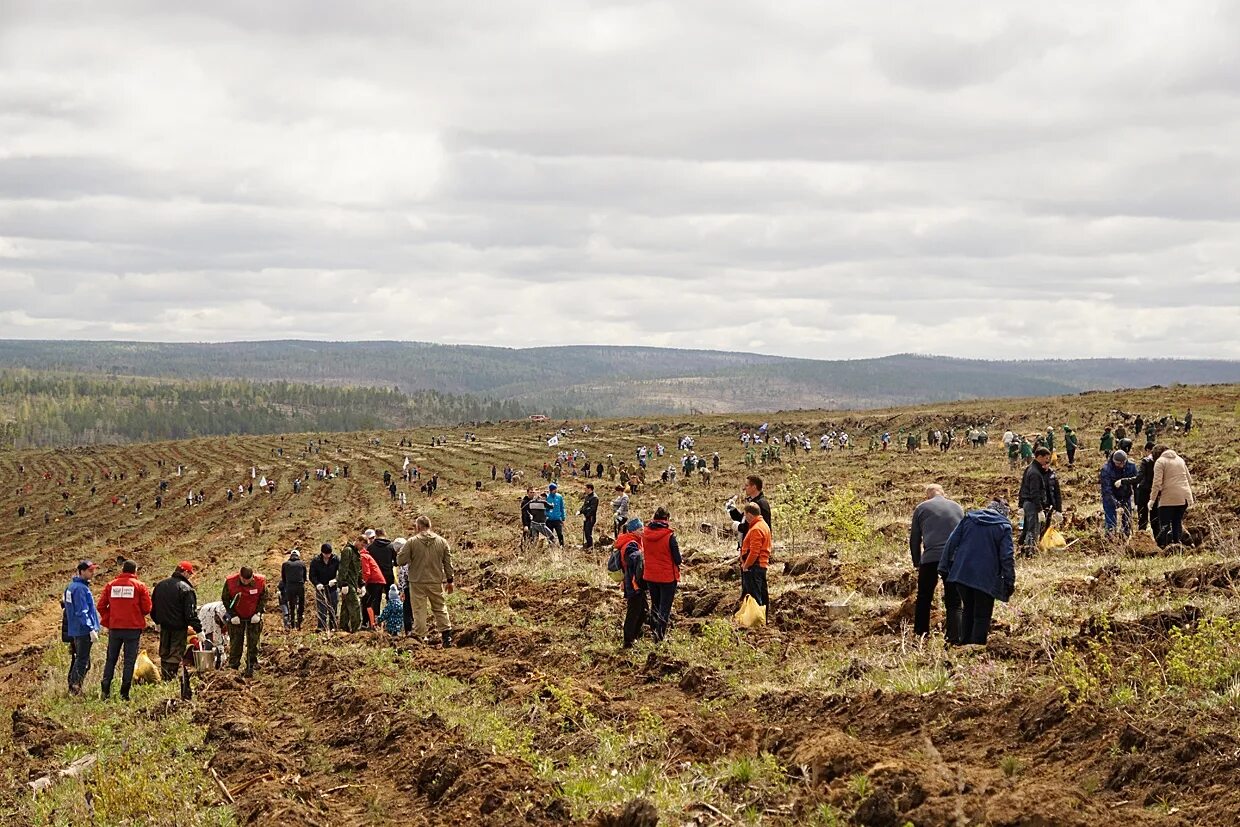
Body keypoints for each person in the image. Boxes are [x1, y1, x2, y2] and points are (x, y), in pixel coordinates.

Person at [938, 500, 1015, 646]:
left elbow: (951, 542)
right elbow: (1007, 556)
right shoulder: (1004, 526)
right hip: (986, 578)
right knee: (982, 615)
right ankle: (976, 649)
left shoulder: (969, 519)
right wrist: (1009, 581)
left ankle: (964, 645)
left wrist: (944, 566)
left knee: (968, 609)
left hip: (962, 574)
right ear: (1004, 513)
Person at [909, 485, 965, 641]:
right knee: (954, 601)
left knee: (924, 597)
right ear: (944, 494)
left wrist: (917, 562)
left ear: (928, 496)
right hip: (954, 559)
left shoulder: (921, 508)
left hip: (930, 558)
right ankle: (955, 638)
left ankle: (921, 635)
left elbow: (915, 538)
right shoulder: (958, 507)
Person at [96, 559, 152, 701]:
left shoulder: (111, 585)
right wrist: (135, 614)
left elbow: (101, 606)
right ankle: (124, 693)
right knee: (129, 661)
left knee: (111, 660)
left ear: (122, 570)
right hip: (132, 629)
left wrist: (111, 618)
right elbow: (147, 608)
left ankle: (105, 689)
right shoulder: (140, 586)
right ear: (135, 571)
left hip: (115, 628)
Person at [397, 516, 455, 647]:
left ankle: (420, 636)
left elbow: (400, 561)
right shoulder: (442, 542)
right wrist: (450, 580)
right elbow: (448, 563)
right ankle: (447, 636)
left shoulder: (412, 542)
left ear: (418, 527)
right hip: (435, 580)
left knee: (419, 610)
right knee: (440, 607)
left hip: (417, 581)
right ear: (430, 525)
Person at [151, 561, 201, 681]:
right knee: (175, 652)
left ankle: (165, 676)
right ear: (184, 572)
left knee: (164, 651)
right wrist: (198, 629)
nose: (190, 576)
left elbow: (153, 606)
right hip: (179, 627)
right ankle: (170, 678)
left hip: (164, 625)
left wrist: (157, 621)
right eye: (189, 573)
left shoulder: (160, 585)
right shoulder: (186, 589)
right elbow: (190, 613)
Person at [642, 507, 681, 642]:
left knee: (655, 604)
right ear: (666, 519)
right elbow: (678, 559)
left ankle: (653, 630)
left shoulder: (645, 534)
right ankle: (659, 636)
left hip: (650, 576)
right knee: (665, 607)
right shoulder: (670, 536)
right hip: (667, 577)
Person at [62, 560, 101, 695]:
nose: (92, 573)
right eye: (90, 570)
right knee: (82, 661)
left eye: (93, 570)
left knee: (81, 659)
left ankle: (74, 686)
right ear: (81, 571)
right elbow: (81, 611)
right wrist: (90, 628)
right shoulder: (80, 589)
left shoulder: (71, 587)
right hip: (83, 630)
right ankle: (75, 688)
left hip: (75, 629)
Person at [221, 566, 267, 675]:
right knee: (236, 642)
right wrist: (232, 615)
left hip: (253, 616)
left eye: (249, 580)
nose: (246, 582)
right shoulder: (230, 582)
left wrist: (258, 613)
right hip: (237, 616)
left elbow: (264, 597)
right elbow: (225, 599)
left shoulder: (260, 582)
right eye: (244, 580)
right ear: (240, 576)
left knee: (253, 641)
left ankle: (252, 663)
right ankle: (234, 666)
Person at [1018, 448, 1062, 557]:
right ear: (1039, 457)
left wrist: (1058, 509)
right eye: (1046, 459)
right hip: (1033, 505)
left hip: (1034, 504)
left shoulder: (1036, 470)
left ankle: (1027, 549)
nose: (1047, 461)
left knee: (1032, 528)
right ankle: (1030, 552)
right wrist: (1039, 510)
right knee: (1033, 530)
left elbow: (1055, 492)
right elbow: (1034, 493)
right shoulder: (1034, 473)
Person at [1150, 446, 1194, 547]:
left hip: (1168, 497)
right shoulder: (1180, 460)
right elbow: (1189, 479)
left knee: (1165, 524)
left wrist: (1152, 499)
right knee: (1177, 521)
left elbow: (1157, 483)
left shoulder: (1160, 462)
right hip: (1184, 497)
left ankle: (1163, 546)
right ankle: (1177, 543)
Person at [613, 518, 646, 648]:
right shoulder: (630, 544)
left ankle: (634, 636)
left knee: (642, 610)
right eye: (640, 530)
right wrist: (644, 554)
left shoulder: (634, 541)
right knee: (634, 611)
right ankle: (628, 641)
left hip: (635, 581)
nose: (643, 532)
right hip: (633, 582)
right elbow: (632, 559)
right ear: (633, 531)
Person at [739, 502, 771, 607]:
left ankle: (756, 621)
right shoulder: (763, 525)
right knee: (761, 595)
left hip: (754, 567)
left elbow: (754, 552)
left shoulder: (756, 529)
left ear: (749, 514)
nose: (745, 517)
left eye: (745, 514)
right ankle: (762, 619)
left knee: (754, 597)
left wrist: (746, 566)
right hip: (761, 565)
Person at [1100, 450, 1138, 536]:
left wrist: (1136, 502)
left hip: (1125, 495)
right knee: (1111, 521)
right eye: (1118, 464)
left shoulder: (1131, 466)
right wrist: (1116, 505)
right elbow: (1106, 490)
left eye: (1123, 463)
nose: (1121, 466)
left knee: (1127, 522)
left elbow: (1136, 484)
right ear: (1114, 461)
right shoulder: (1106, 469)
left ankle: (1125, 536)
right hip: (1110, 497)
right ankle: (1110, 537)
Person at [727, 475, 772, 545]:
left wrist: (738, 526)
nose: (745, 488)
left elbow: (759, 527)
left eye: (747, 485)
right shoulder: (753, 502)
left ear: (754, 487)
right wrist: (732, 509)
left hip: (756, 547)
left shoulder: (761, 504)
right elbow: (742, 519)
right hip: (749, 546)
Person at [309, 543, 339, 631]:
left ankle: (333, 626)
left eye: (329, 554)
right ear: (322, 553)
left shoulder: (335, 559)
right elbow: (312, 575)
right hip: (321, 587)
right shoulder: (315, 561)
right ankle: (321, 626)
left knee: (333, 607)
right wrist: (317, 583)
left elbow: (341, 572)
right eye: (325, 554)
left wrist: (335, 580)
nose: (327, 556)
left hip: (332, 587)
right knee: (321, 607)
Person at [358, 537, 386, 628]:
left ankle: (373, 623)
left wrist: (363, 585)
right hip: (375, 581)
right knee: (369, 602)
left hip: (375, 582)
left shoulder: (363, 557)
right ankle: (369, 622)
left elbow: (366, 572)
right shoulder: (366, 555)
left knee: (370, 603)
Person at [1135, 446, 1163, 537]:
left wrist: (1125, 481)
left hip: (1144, 491)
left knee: (1142, 518)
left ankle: (1140, 540)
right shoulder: (1161, 462)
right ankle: (1159, 541)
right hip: (1156, 492)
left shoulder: (1145, 461)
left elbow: (1139, 477)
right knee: (1155, 518)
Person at [368, 530, 398, 610]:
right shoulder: (391, 546)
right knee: (390, 597)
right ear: (385, 534)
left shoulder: (370, 547)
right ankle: (391, 618)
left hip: (375, 576)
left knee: (376, 599)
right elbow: (396, 562)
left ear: (376, 535)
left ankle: (376, 619)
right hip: (388, 575)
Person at [280, 549, 307, 629]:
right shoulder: (302, 564)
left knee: (291, 604)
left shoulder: (285, 564)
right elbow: (304, 576)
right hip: (300, 585)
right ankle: (299, 619)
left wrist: (287, 584)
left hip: (290, 586)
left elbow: (283, 577)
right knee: (301, 602)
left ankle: (292, 622)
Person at [579, 483, 599, 550]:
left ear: (589, 489)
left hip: (591, 517)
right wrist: (580, 511)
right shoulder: (587, 496)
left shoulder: (594, 497)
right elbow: (584, 506)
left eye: (585, 488)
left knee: (588, 532)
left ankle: (590, 547)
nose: (584, 490)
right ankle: (587, 545)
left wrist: (586, 513)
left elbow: (593, 509)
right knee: (585, 531)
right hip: (586, 517)